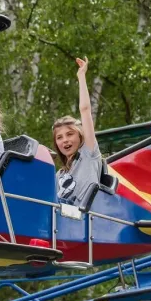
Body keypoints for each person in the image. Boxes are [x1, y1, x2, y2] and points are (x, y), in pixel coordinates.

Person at [52, 57, 102, 205]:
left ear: (80, 136)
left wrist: (81, 77)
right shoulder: (59, 174)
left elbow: (85, 110)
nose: (65, 140)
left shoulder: (89, 154)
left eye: (70, 134)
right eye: (59, 137)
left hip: (81, 218)